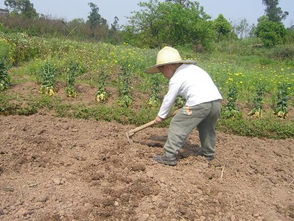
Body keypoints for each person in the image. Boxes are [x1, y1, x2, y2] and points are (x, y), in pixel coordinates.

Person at [145, 46, 222, 166]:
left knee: (178, 123)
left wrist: (161, 116)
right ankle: (208, 154)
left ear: (168, 66)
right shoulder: (194, 69)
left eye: (162, 71)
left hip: (199, 102)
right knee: (206, 127)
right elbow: (198, 89)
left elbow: (169, 98)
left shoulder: (176, 77)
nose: (163, 74)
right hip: (215, 102)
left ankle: (169, 155)